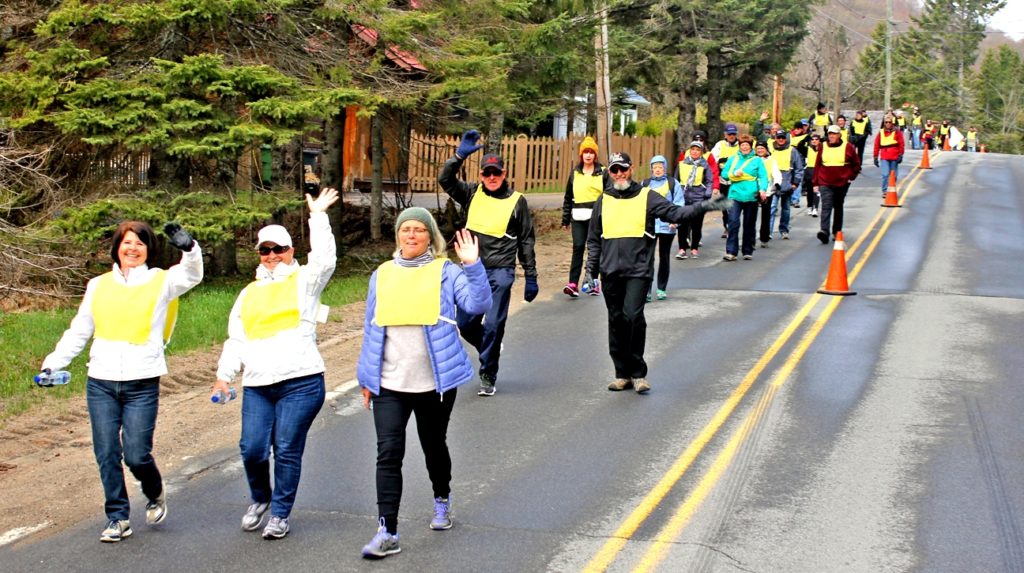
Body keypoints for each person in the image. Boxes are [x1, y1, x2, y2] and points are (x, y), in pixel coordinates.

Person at [41, 220, 203, 543]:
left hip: (141, 383)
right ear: (117, 247)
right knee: (106, 453)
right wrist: (52, 364)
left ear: (148, 250)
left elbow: (192, 274)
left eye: (140, 244)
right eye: (127, 243)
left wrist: (190, 249)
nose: (132, 249)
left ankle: (154, 491)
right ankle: (117, 517)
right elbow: (80, 330)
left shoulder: (161, 281)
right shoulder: (98, 285)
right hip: (100, 382)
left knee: (136, 455)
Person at [356, 210, 492, 560]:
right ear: (398, 236)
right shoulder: (382, 275)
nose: (412, 235)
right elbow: (371, 329)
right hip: (389, 382)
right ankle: (387, 531)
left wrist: (473, 266)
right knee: (388, 454)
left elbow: (478, 304)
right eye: (405, 230)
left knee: (433, 445)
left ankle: (441, 498)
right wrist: (367, 378)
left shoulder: (446, 272)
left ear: (430, 237)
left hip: (434, 382)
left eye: (419, 230)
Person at [213, 188, 339, 540]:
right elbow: (236, 338)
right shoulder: (248, 293)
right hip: (257, 384)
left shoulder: (305, 282)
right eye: (265, 250)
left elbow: (326, 260)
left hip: (301, 381)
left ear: (290, 252)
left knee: (285, 447)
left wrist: (318, 216)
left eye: (278, 249)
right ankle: (260, 498)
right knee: (252, 449)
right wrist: (224, 377)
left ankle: (280, 513)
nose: (271, 256)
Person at [587, 152, 728, 394]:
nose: (619, 174)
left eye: (623, 169)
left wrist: (704, 206)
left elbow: (675, 214)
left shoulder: (647, 196)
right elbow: (594, 238)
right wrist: (591, 269)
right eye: (614, 170)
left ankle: (638, 373)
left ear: (631, 169)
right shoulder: (603, 200)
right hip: (610, 271)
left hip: (638, 270)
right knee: (616, 320)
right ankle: (622, 374)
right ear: (609, 173)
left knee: (632, 316)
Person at [438, 130, 539, 397]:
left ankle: (488, 373)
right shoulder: (471, 193)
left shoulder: (518, 202)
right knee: (465, 323)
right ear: (481, 176)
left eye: (497, 173)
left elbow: (526, 240)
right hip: (472, 271)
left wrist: (531, 276)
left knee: (494, 324)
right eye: (487, 173)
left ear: (504, 174)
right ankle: (489, 344)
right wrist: (459, 156)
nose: (492, 178)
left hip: (502, 271)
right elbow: (445, 180)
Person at [561, 136, 605, 297]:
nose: (588, 155)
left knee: (594, 250)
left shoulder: (603, 172)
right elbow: (568, 197)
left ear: (595, 155)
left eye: (591, 152)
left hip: (596, 217)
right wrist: (565, 219)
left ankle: (593, 282)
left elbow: (609, 196)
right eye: (585, 152)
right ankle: (573, 284)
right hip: (578, 216)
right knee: (578, 248)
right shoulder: (575, 173)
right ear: (581, 155)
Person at [643, 155, 685, 301]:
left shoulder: (673, 183)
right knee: (647, 258)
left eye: (660, 167)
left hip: (667, 225)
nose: (658, 170)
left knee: (664, 257)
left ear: (665, 168)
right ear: (651, 169)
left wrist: (675, 220)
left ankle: (661, 288)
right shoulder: (645, 184)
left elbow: (679, 203)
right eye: (655, 167)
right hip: (649, 226)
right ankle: (646, 290)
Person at [721, 135, 769, 260]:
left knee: (749, 224)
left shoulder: (757, 160)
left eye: (747, 145)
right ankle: (731, 251)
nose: (745, 147)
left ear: (750, 146)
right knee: (733, 222)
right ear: (739, 146)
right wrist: (734, 173)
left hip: (751, 196)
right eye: (742, 145)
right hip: (735, 195)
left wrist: (763, 190)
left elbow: (763, 176)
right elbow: (724, 174)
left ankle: (748, 250)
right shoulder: (733, 159)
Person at [813, 125, 862, 244]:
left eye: (834, 134)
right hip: (825, 181)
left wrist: (851, 177)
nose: (831, 136)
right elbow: (817, 165)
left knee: (838, 206)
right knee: (826, 205)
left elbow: (856, 165)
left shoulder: (848, 147)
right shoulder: (822, 146)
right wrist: (815, 183)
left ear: (839, 135)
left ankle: (837, 231)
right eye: (830, 134)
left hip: (841, 183)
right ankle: (824, 231)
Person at [675, 140, 714, 260]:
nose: (695, 152)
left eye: (698, 150)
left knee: (696, 225)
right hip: (684, 197)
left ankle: (694, 248)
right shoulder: (682, 164)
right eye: (693, 149)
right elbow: (676, 180)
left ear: (701, 152)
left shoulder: (705, 165)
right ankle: (682, 249)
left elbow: (709, 181)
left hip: (698, 196)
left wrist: (707, 193)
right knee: (682, 225)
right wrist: (676, 194)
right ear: (689, 150)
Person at [768, 129, 805, 240]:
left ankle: (784, 230)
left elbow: (799, 168)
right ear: (775, 138)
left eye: (783, 137)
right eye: (778, 137)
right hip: (773, 184)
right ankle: (768, 231)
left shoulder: (792, 151)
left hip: (787, 184)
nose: (780, 140)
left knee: (786, 209)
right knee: (772, 208)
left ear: (786, 138)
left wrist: (795, 183)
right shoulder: (770, 150)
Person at [710, 123, 741, 238]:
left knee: (733, 204)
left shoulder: (740, 145)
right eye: (729, 134)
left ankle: (732, 226)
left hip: (736, 180)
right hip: (723, 179)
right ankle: (726, 226)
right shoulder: (720, 145)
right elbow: (713, 158)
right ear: (725, 134)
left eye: (733, 134)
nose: (731, 136)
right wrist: (720, 160)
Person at [755, 140, 781, 249]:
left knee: (766, 215)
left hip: (767, 191)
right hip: (753, 190)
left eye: (762, 148)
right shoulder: (752, 160)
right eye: (758, 148)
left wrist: (777, 183)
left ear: (766, 149)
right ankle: (750, 238)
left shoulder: (771, 160)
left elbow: (776, 173)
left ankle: (764, 237)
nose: (760, 150)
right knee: (751, 215)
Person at [872, 114, 906, 198]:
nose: (887, 124)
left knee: (893, 175)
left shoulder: (897, 132)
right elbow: (876, 145)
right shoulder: (881, 133)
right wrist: (875, 157)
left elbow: (901, 144)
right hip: (884, 156)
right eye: (886, 122)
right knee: (885, 174)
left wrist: (901, 154)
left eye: (889, 122)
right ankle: (885, 190)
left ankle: (892, 189)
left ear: (892, 123)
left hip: (894, 157)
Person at [802, 133, 822, 217]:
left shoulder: (822, 149)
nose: (814, 141)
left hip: (818, 171)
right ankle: (810, 206)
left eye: (816, 139)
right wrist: (806, 137)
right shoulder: (808, 149)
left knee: (816, 190)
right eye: (813, 139)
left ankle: (815, 208)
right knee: (809, 191)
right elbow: (800, 146)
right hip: (809, 171)